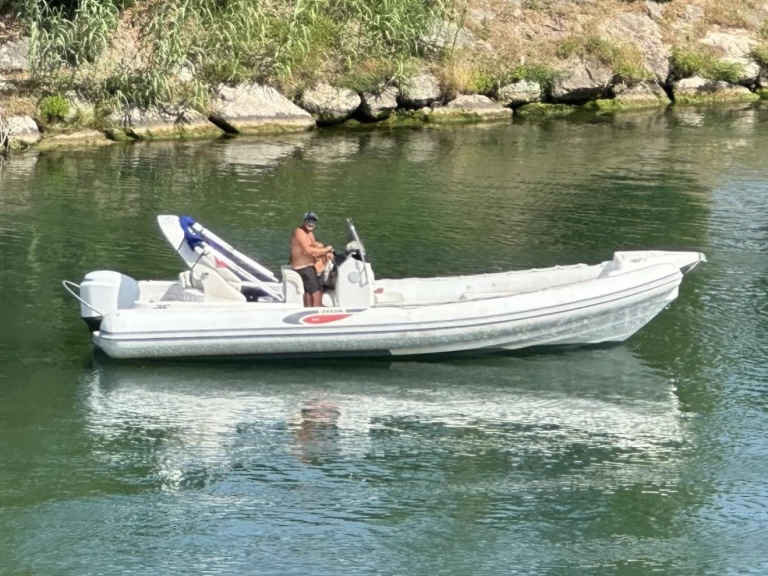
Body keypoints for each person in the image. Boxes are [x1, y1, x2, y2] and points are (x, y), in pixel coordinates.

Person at [290, 212, 334, 307]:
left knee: (309, 291)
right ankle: (317, 312)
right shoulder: (299, 232)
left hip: (309, 267)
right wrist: (326, 249)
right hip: (304, 268)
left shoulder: (309, 233)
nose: (311, 223)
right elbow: (308, 250)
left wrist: (326, 252)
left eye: (313, 221)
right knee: (317, 294)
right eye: (308, 221)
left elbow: (315, 247)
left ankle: (308, 309)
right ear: (304, 221)